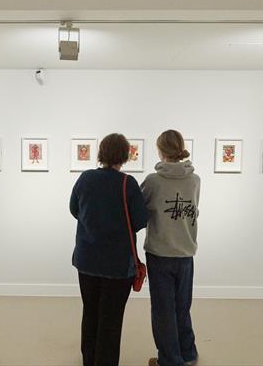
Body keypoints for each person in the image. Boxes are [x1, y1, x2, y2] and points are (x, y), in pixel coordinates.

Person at [70, 133, 148, 366]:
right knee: (111, 320)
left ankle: (90, 360)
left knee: (90, 313)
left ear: (101, 153)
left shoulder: (85, 178)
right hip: (117, 264)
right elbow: (140, 220)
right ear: (124, 156)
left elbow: (74, 209)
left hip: (87, 260)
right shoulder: (127, 183)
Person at [141, 130, 200, 366]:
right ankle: (188, 353)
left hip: (160, 253)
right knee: (182, 306)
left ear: (161, 150)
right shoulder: (195, 179)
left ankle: (169, 360)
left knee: (163, 310)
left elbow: (140, 209)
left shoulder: (154, 181)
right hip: (186, 252)